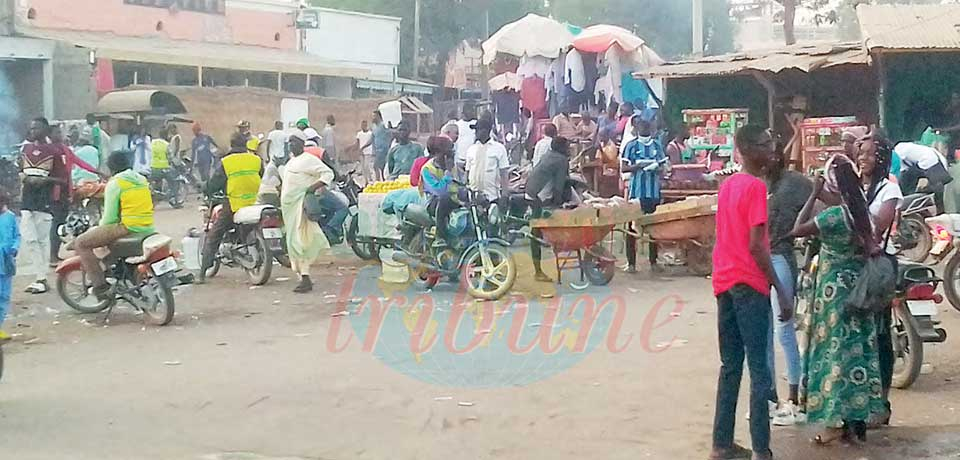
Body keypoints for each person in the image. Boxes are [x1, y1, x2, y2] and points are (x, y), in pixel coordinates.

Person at [709, 125, 791, 460]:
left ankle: (721, 443)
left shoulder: (728, 185)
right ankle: (761, 449)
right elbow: (757, 246)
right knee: (760, 368)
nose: (772, 150)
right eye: (767, 145)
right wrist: (780, 289)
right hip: (749, 283)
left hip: (724, 282)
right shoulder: (756, 187)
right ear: (750, 150)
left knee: (730, 365)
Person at [789, 154, 883, 446]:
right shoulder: (864, 215)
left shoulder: (832, 218)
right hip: (860, 294)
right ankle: (857, 423)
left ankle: (832, 423)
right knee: (858, 354)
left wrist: (813, 193)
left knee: (833, 358)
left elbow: (797, 228)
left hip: (832, 299)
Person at [856, 131, 902, 429]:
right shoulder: (855, 188)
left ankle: (881, 403)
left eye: (870, 153)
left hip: (879, 267)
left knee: (880, 335)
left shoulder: (889, 191)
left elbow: (875, 228)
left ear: (883, 158)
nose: (863, 158)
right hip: (857, 266)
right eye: (861, 153)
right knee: (860, 337)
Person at [765, 145, 812, 427]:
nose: (770, 157)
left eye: (774, 151)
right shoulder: (753, 183)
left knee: (784, 328)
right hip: (755, 261)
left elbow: (822, 206)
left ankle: (795, 398)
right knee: (763, 332)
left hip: (781, 256)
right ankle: (770, 398)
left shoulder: (796, 183)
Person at [72, 151, 155, 300]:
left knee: (81, 243)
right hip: (147, 226)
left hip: (128, 227)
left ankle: (100, 287)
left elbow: (109, 218)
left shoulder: (115, 183)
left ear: (111, 167)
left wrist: (98, 228)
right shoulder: (141, 179)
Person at [199, 133, 264, 283]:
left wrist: (206, 188)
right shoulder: (256, 160)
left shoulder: (227, 162)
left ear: (232, 145)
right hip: (256, 202)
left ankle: (202, 273)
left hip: (235, 204)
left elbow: (215, 183)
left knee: (215, 233)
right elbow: (262, 175)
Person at [281, 131, 334, 293]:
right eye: (289, 142)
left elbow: (328, 173)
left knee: (301, 241)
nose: (292, 145)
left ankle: (305, 277)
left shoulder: (309, 160)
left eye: (295, 142)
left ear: (302, 145)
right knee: (294, 242)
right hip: (289, 209)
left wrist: (311, 189)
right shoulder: (291, 162)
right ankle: (302, 276)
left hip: (300, 207)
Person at [19, 118, 66, 294]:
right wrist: (25, 179)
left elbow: (62, 179)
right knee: (30, 239)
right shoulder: (25, 150)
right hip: (27, 201)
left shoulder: (53, 152)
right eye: (31, 128)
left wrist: (44, 180)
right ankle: (40, 276)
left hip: (44, 202)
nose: (33, 131)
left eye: (36, 127)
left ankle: (41, 278)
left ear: (45, 130)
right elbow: (20, 172)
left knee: (42, 240)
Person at [622, 117, 667, 274]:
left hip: (653, 191)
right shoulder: (631, 146)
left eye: (647, 129)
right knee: (632, 227)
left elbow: (663, 167)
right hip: (636, 193)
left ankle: (653, 261)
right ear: (636, 129)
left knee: (654, 226)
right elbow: (624, 168)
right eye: (642, 128)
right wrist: (638, 166)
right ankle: (631, 263)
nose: (645, 131)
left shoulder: (656, 145)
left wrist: (656, 168)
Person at [524, 136, 572, 282]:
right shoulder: (562, 160)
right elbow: (558, 187)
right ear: (562, 148)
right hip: (540, 197)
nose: (569, 149)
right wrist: (560, 205)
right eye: (567, 147)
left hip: (530, 192)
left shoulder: (548, 155)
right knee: (536, 232)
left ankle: (539, 269)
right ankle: (538, 272)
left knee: (536, 232)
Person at [894, 141, 952, 212]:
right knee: (938, 188)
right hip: (936, 161)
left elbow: (902, 171)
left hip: (929, 162)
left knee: (938, 189)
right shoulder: (907, 147)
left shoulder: (899, 149)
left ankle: (940, 210)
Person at [465, 118, 510, 203]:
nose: (475, 132)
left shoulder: (499, 148)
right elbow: (467, 172)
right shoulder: (471, 149)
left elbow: (504, 174)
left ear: (486, 130)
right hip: (473, 198)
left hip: (492, 197)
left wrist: (504, 195)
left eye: (478, 129)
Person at [0, 189, 20, 340]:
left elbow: (16, 236)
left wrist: (14, 248)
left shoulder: (10, 217)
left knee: (4, 297)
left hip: (6, 263)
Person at [150, 126, 181, 204]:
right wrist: (174, 163)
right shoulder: (166, 144)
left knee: (156, 181)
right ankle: (174, 200)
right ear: (166, 135)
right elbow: (170, 157)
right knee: (173, 182)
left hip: (152, 168)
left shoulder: (152, 142)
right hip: (163, 168)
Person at [454, 102, 478, 168]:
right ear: (464, 111)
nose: (472, 112)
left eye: (473, 110)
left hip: (474, 160)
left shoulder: (476, 123)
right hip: (460, 160)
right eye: (470, 110)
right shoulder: (457, 125)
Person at [371, 111, 392, 181]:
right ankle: (383, 181)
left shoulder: (383, 125)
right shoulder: (374, 127)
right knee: (381, 167)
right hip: (377, 150)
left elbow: (390, 134)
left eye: (374, 116)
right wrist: (364, 147)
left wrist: (389, 145)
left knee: (376, 166)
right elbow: (372, 138)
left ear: (378, 116)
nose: (373, 118)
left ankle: (378, 182)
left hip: (384, 150)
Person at [356, 119, 375, 184]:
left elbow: (370, 142)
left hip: (368, 151)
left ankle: (370, 178)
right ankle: (366, 180)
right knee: (363, 167)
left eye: (364, 125)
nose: (363, 126)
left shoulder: (370, 133)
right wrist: (358, 150)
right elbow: (357, 143)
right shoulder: (359, 134)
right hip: (361, 152)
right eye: (362, 125)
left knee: (367, 166)